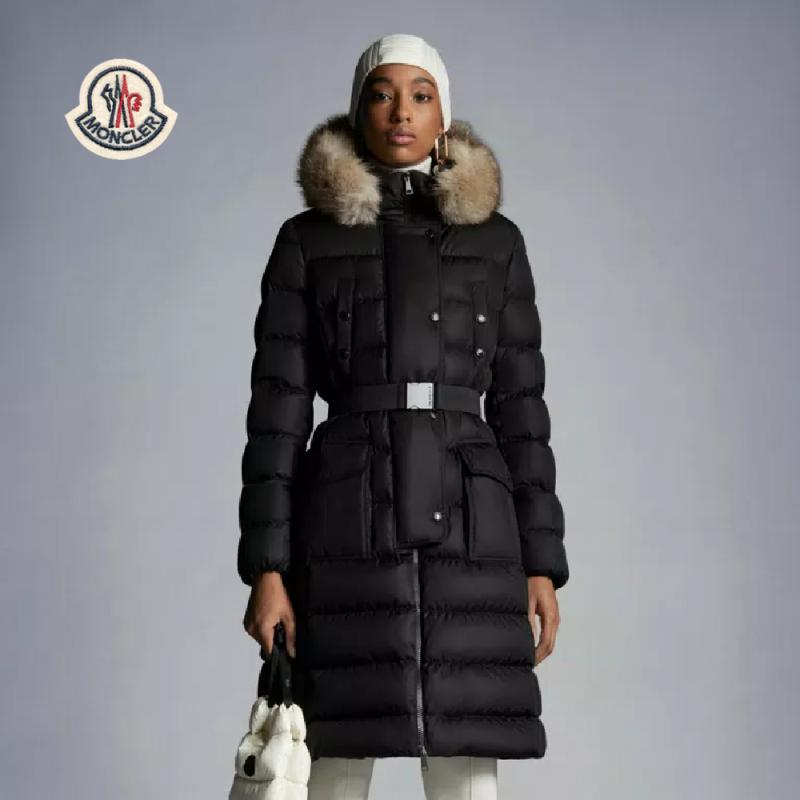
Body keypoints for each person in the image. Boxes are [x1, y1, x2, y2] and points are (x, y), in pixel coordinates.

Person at [238, 33, 569, 800]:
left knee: (466, 764)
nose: (401, 112)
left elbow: (523, 410)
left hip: (474, 525)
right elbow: (276, 416)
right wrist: (268, 569)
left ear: (444, 114)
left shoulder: (497, 243)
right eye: (382, 94)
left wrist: (542, 564)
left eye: (421, 95)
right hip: (344, 519)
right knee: (329, 760)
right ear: (358, 111)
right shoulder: (307, 241)